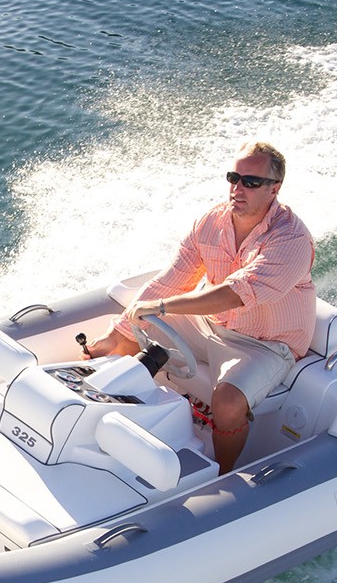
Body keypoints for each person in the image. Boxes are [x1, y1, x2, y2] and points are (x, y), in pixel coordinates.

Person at [85, 142, 316, 473]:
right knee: (131, 332)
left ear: (274, 188)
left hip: (265, 345)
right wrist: (118, 331)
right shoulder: (210, 223)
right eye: (234, 178)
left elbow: (235, 294)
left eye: (250, 182)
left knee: (228, 403)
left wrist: (162, 307)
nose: (238, 189)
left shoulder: (291, 239)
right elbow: (172, 280)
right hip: (210, 324)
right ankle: (95, 416)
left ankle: (223, 473)